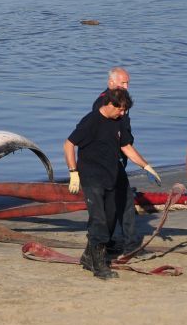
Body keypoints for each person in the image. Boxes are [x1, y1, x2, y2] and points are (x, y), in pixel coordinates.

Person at [64, 87, 157, 279]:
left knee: (109, 219)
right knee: (98, 220)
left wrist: (146, 166)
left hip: (111, 176)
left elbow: (126, 146)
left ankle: (87, 257)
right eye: (121, 109)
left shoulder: (119, 122)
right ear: (110, 104)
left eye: (125, 110)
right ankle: (99, 266)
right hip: (91, 177)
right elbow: (68, 144)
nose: (123, 113)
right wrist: (73, 172)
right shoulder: (91, 121)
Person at [92, 67, 163, 255]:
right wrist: (145, 165)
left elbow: (124, 137)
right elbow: (117, 140)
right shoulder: (103, 103)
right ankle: (126, 244)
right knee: (120, 202)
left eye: (128, 83)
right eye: (123, 83)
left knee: (119, 203)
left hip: (118, 158)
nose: (126, 86)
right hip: (106, 161)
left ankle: (113, 242)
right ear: (111, 83)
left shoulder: (121, 102)